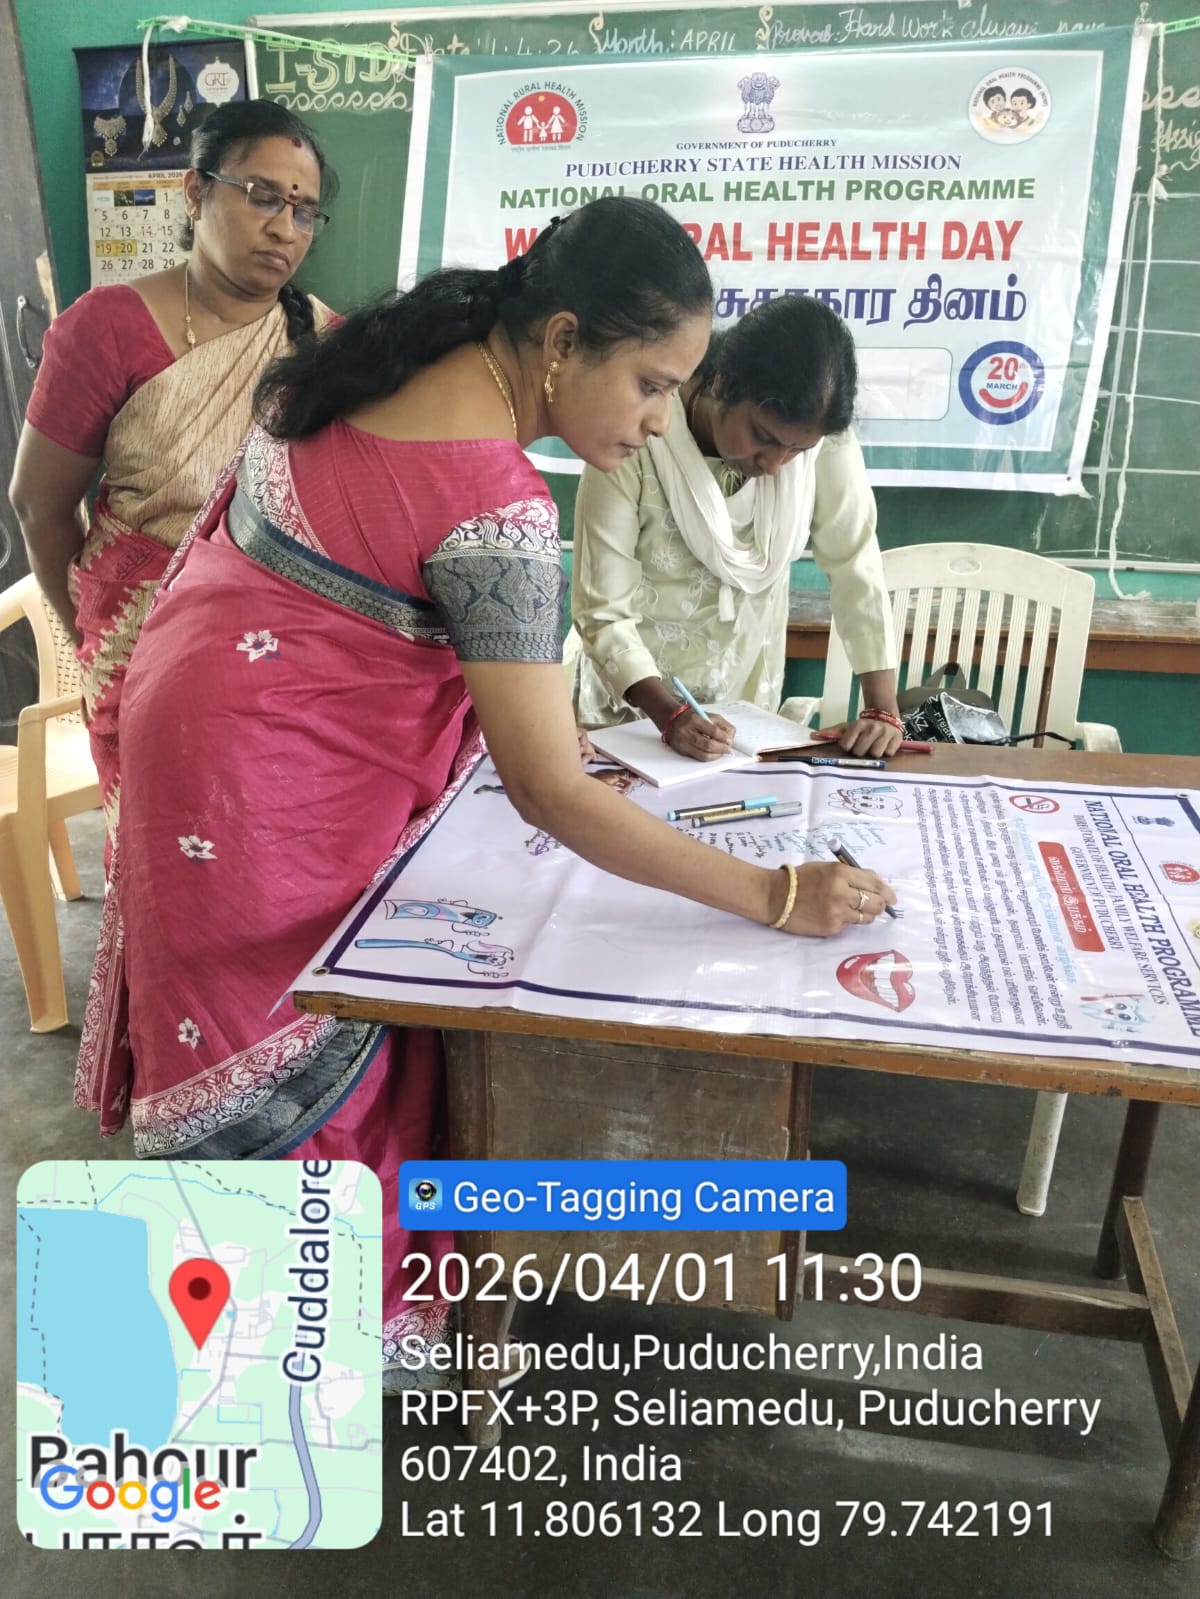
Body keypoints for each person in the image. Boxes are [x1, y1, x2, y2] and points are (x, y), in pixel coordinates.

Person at [71, 197, 895, 1382]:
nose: (658, 419)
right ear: (560, 342)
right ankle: (283, 1359)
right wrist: (776, 895)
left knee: (286, 1022)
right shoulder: (496, 505)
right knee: (305, 1035)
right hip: (266, 794)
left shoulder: (384, 361)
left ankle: (232, 1332)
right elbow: (551, 789)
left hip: (195, 737)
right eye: (651, 384)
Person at [9, 99, 339, 846]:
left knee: (273, 858)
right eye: (262, 196)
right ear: (195, 191)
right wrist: (96, 633)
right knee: (165, 858)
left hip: (285, 662)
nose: (285, 228)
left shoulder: (328, 345)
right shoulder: (106, 328)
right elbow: (38, 506)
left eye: (304, 211)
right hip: (139, 650)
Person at [567, 293, 904, 761]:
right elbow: (602, 609)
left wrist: (882, 709)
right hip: (630, 710)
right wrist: (668, 714)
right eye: (763, 437)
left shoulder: (822, 442)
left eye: (796, 451)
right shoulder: (640, 433)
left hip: (746, 717)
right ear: (722, 382)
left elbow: (856, 565)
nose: (775, 465)